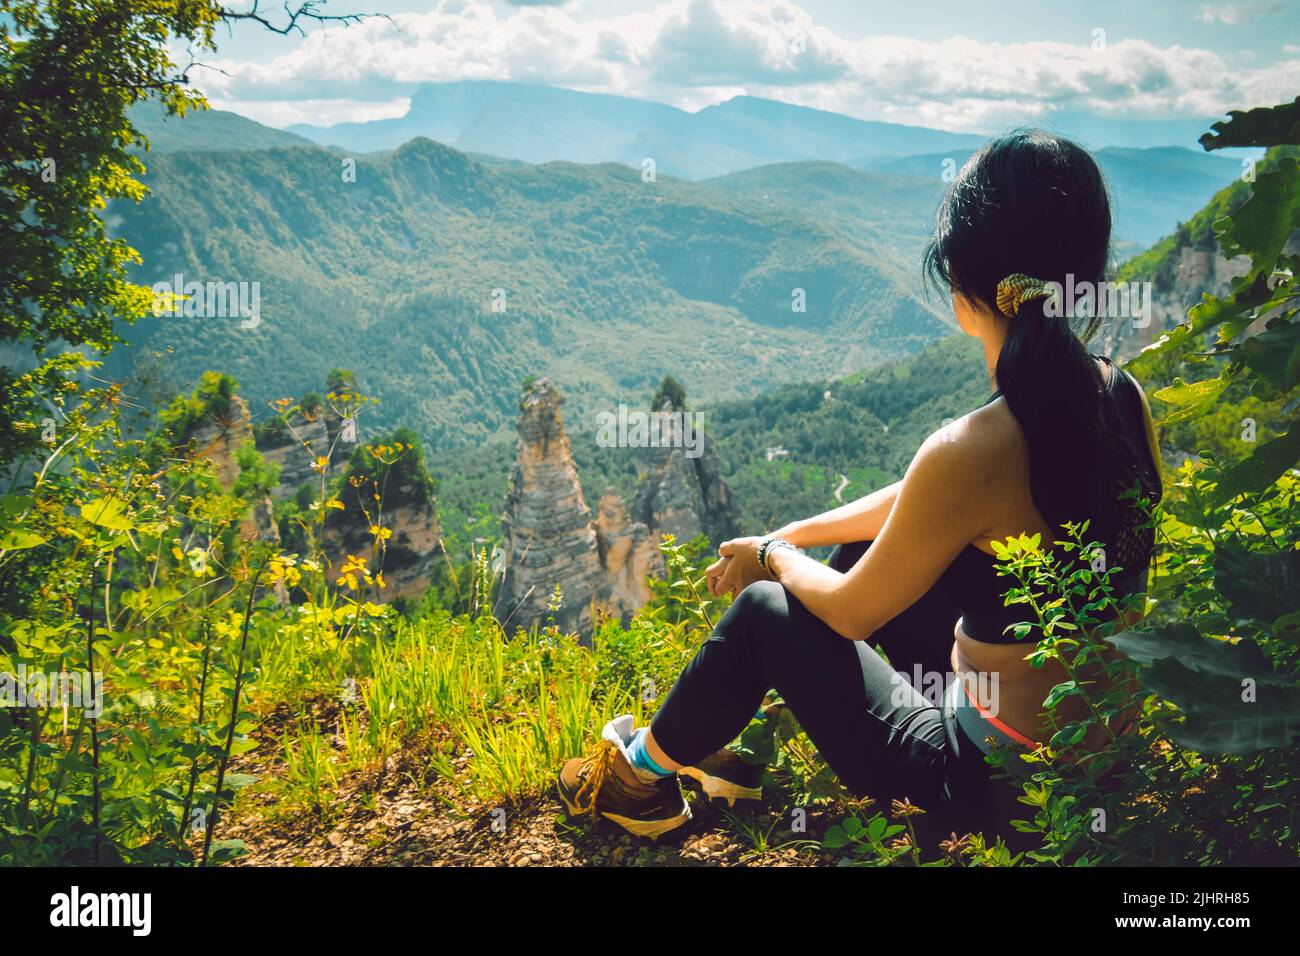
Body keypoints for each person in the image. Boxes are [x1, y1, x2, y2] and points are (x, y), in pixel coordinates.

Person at [557, 129, 1163, 841]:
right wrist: (794, 535)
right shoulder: (1120, 394)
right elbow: (926, 507)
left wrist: (775, 560)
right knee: (857, 557)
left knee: (766, 609)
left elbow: (848, 612)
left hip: (993, 782)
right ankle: (737, 747)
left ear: (965, 278)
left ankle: (635, 783)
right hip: (1100, 756)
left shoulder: (968, 449)